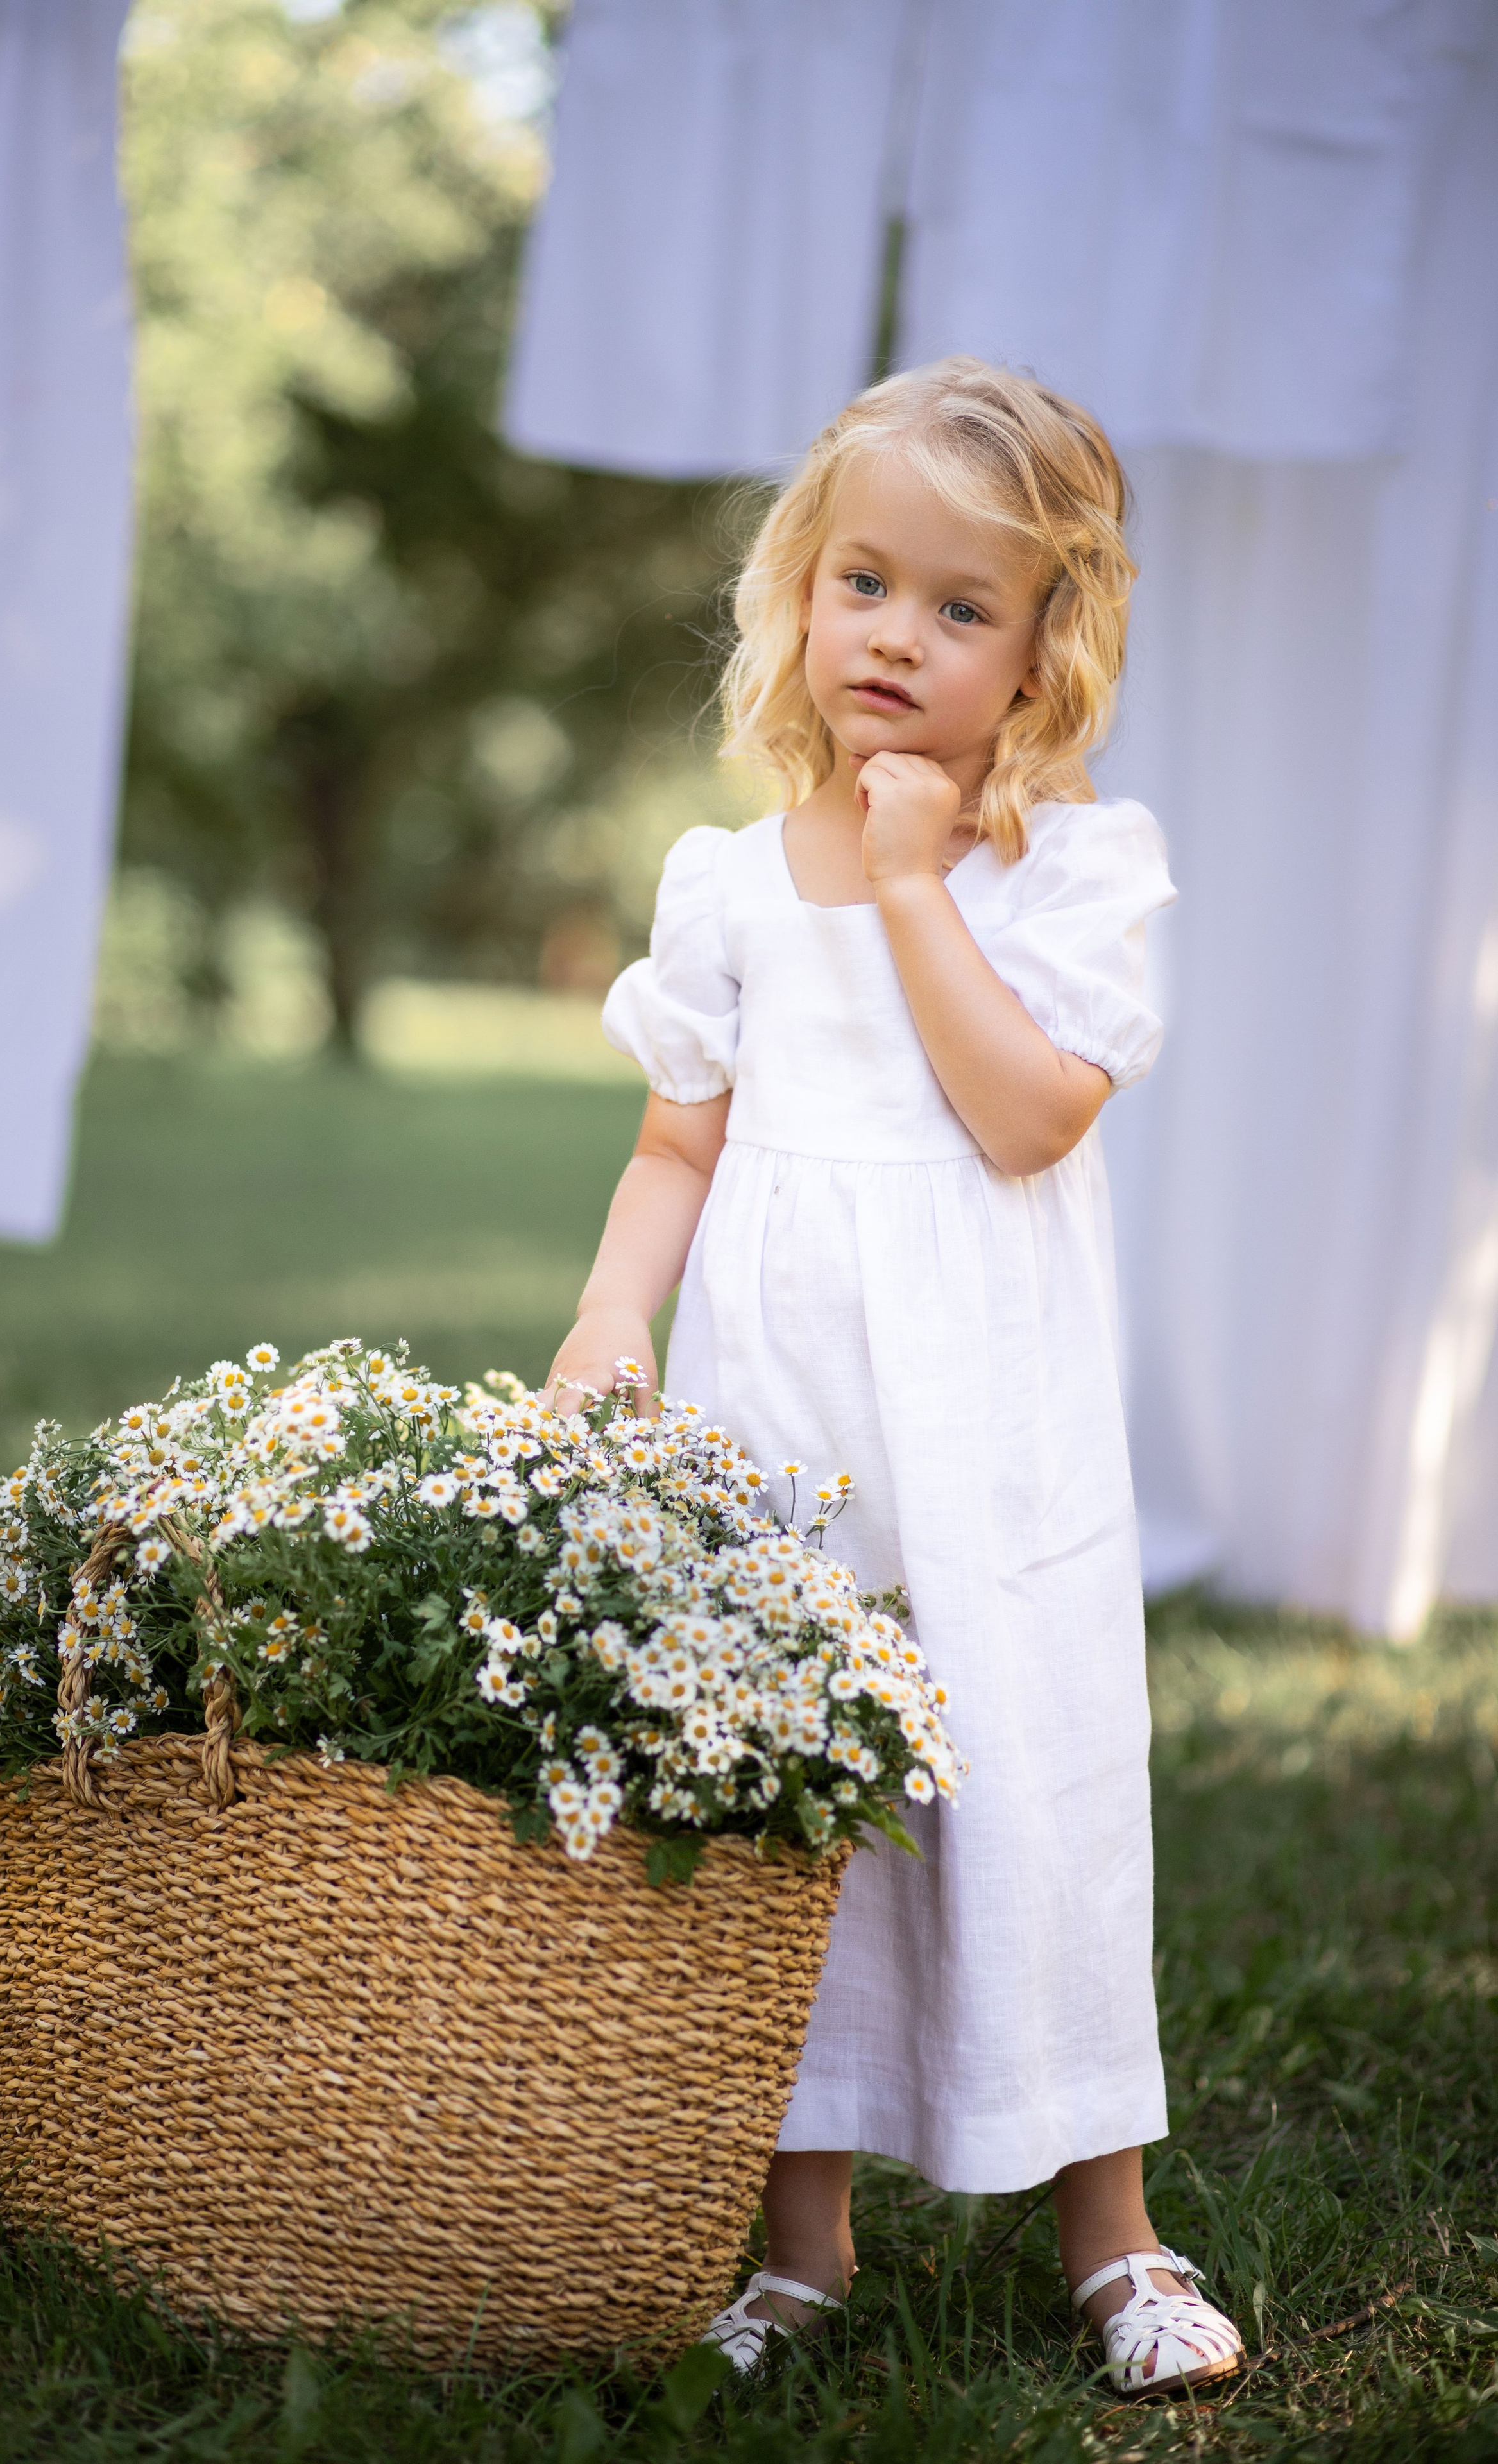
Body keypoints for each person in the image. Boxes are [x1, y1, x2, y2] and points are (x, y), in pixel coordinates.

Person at [544, 358, 1243, 2399]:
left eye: (964, 606)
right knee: (789, 1814)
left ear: (1046, 647)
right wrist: (614, 1318)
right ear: (802, 587)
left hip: (990, 1443)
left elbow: (1028, 1120)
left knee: (1030, 1790)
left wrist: (925, 874)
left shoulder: (1077, 871)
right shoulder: (731, 885)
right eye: (868, 582)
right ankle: (800, 2247)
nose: (900, 637)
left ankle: (1112, 2235)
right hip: (783, 1430)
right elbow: (681, 1140)